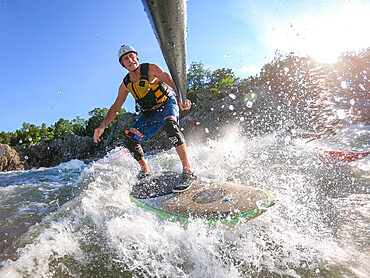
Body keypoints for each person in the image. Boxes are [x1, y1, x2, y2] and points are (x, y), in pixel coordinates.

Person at [93, 45, 196, 192]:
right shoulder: (126, 85)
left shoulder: (151, 69)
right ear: (123, 64)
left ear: (136, 56)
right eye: (126, 59)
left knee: (170, 125)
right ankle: (146, 170)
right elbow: (116, 107)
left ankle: (188, 172)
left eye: (131, 56)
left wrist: (182, 98)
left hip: (167, 103)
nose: (130, 60)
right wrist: (102, 126)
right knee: (130, 138)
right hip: (149, 113)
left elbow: (170, 80)